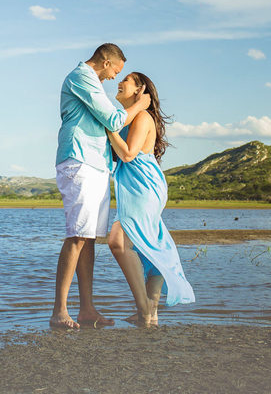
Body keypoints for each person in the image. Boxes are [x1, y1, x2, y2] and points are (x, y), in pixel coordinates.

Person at [50, 44, 151, 330]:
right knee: (77, 235)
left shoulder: (93, 83)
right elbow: (114, 119)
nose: (113, 78)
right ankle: (59, 310)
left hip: (97, 164)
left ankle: (86, 309)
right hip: (78, 160)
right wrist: (140, 106)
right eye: (115, 72)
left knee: (90, 236)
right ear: (106, 62)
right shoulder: (81, 77)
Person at [106, 71, 194, 327]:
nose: (120, 82)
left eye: (127, 80)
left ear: (139, 89)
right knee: (147, 247)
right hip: (138, 186)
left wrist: (108, 128)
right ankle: (151, 314)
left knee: (118, 241)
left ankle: (144, 308)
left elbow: (128, 154)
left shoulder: (143, 116)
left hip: (144, 187)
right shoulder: (132, 117)